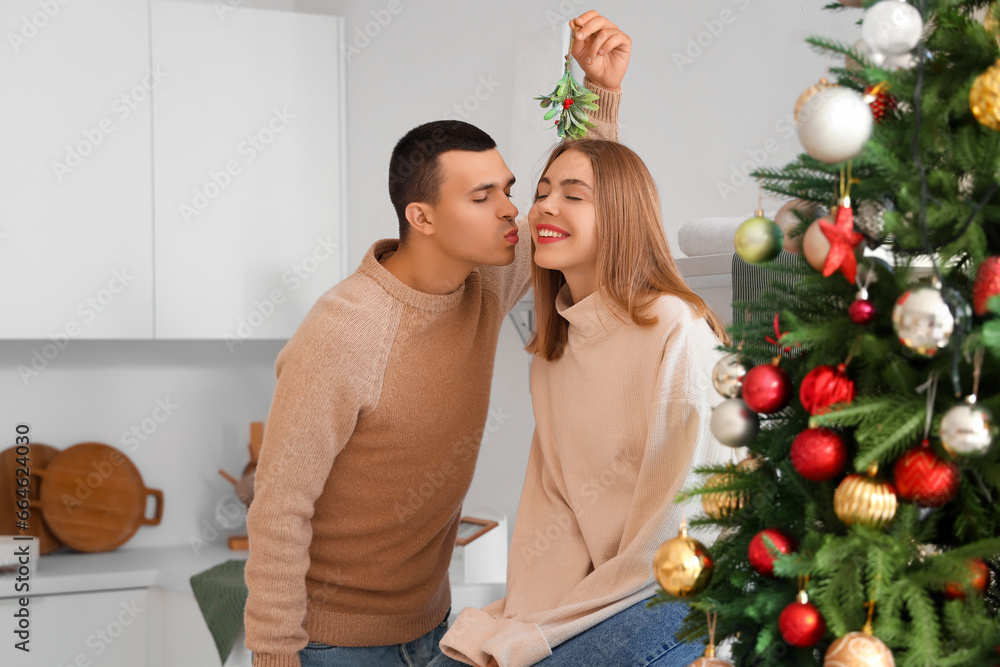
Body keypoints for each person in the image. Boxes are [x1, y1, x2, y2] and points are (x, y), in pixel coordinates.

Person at [243, 12, 632, 667]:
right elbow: (278, 509)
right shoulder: (344, 332)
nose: (512, 208)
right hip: (332, 643)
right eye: (483, 196)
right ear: (421, 216)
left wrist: (599, 94)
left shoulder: (484, 284)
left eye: (508, 189)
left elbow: (574, 207)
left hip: (433, 625)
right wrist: (275, 657)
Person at [430, 140, 733, 667]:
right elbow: (553, 506)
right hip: (611, 590)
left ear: (621, 215)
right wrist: (528, 620)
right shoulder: (555, 352)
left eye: (573, 195)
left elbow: (687, 524)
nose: (544, 205)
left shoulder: (676, 329)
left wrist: (562, 626)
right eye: (542, 191)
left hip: (687, 588)